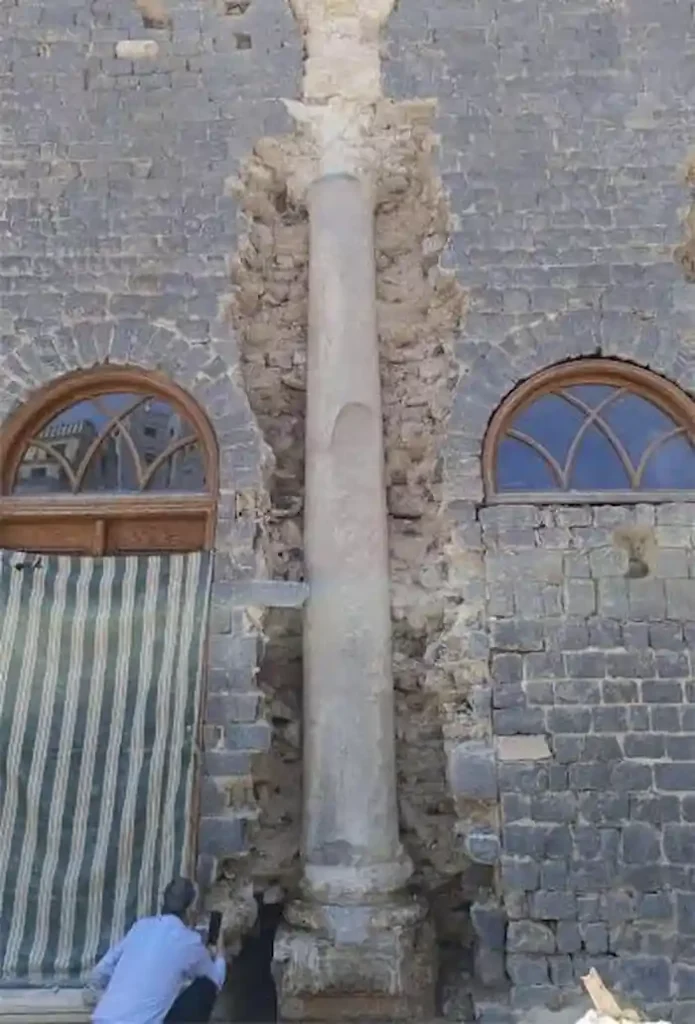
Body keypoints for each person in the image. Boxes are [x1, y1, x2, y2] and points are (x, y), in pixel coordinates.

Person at [88, 877, 226, 1024]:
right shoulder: (190, 941)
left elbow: (99, 972)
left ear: (163, 902)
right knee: (205, 986)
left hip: (102, 1019)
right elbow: (216, 980)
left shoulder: (140, 927)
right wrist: (221, 947)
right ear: (190, 909)